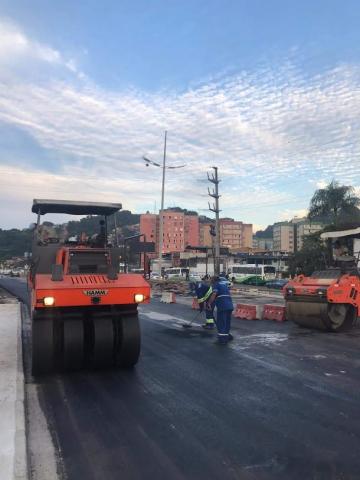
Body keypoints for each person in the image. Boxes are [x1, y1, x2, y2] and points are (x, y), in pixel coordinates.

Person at [207, 275, 234, 344]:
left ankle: (222, 339)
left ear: (213, 280)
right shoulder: (224, 284)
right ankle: (226, 336)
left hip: (223, 305)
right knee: (227, 322)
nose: (210, 281)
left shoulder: (216, 285)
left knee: (221, 322)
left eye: (211, 280)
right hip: (230, 305)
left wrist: (209, 303)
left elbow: (214, 294)